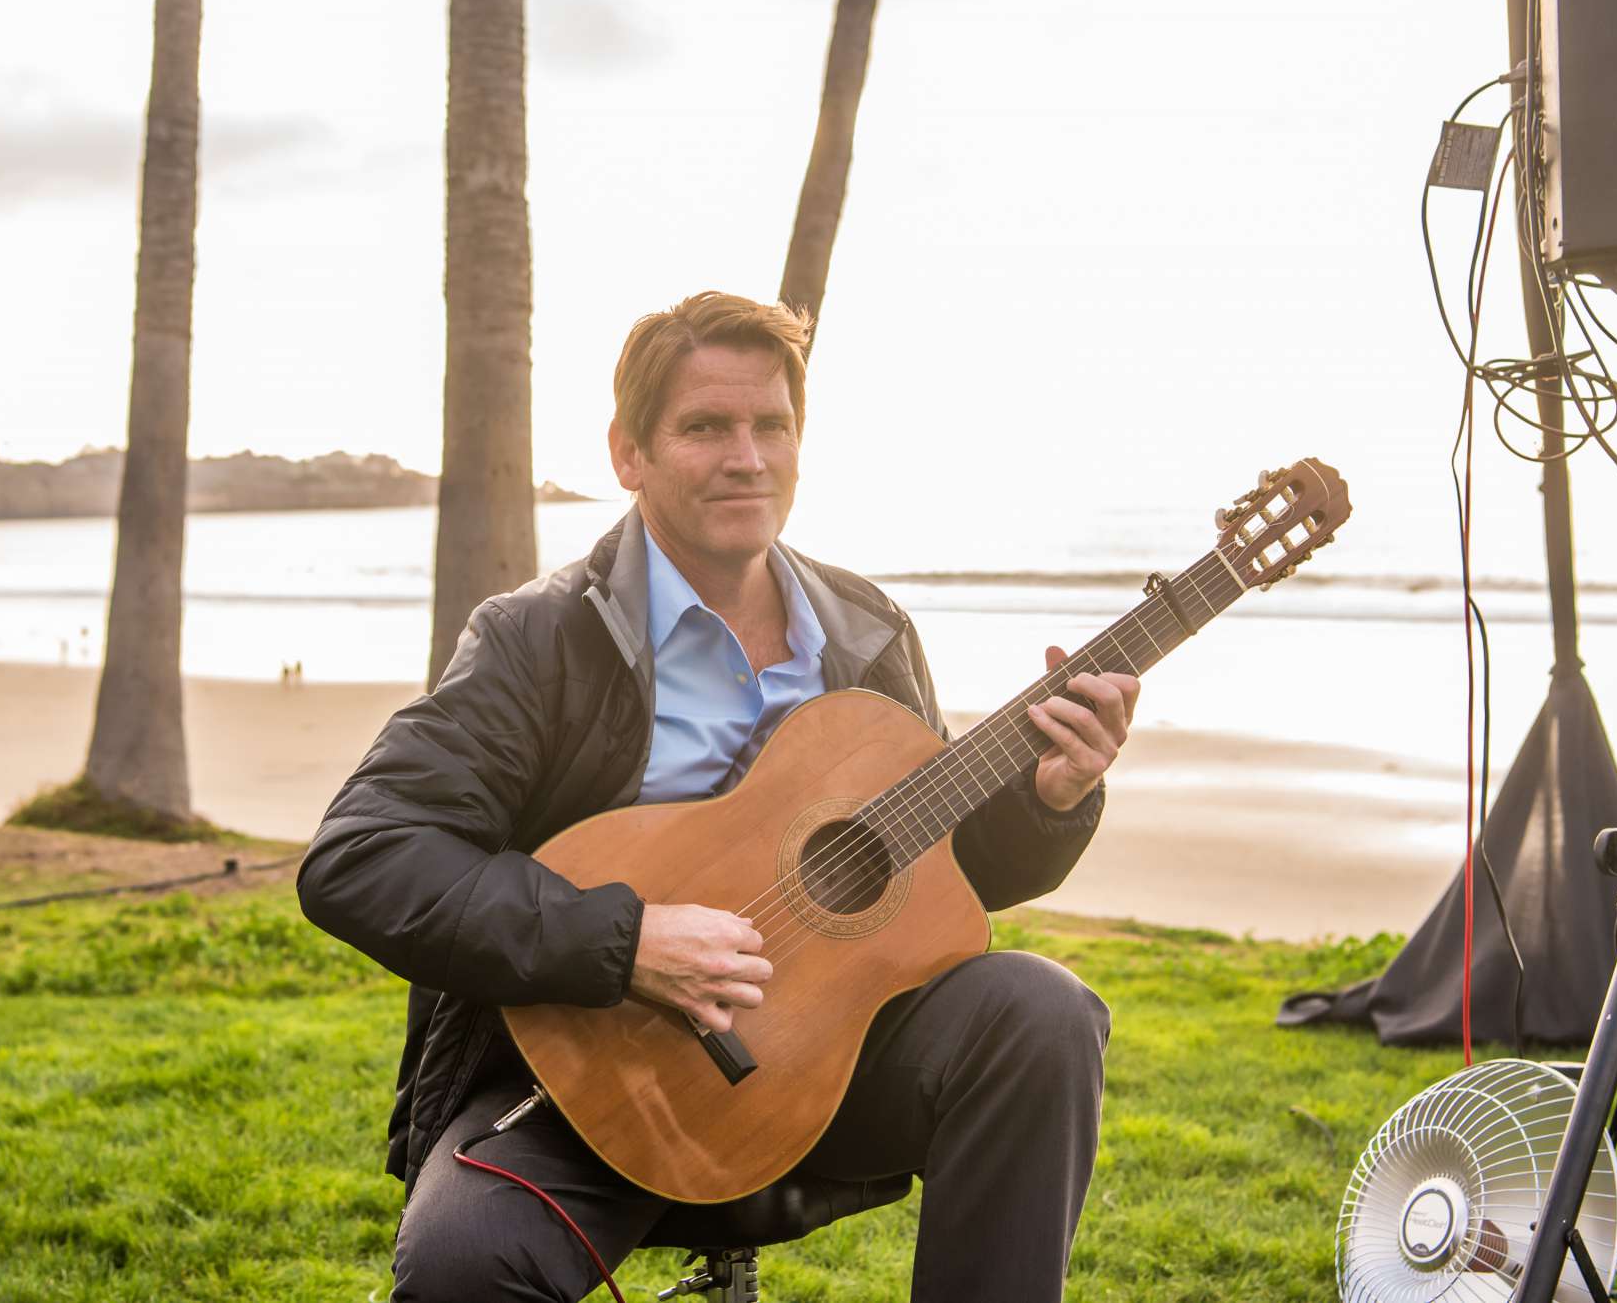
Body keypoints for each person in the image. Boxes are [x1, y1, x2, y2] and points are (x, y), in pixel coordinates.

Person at [298, 292, 1138, 1302]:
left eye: (770, 426)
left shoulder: (866, 631)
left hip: (820, 1076)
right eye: (705, 427)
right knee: (463, 1262)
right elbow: (363, 855)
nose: (747, 457)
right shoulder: (537, 641)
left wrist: (1048, 798)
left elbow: (934, 874)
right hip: (588, 1084)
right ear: (629, 452)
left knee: (1042, 1011)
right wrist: (623, 942)